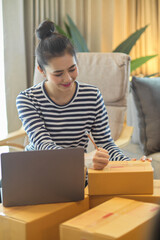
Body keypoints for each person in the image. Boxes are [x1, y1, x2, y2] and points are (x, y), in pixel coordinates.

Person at [16, 20, 150, 172]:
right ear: (41, 70)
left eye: (72, 69)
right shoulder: (27, 100)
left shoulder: (92, 96)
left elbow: (105, 144)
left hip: (77, 172)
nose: (67, 78)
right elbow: (43, 145)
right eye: (58, 74)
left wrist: (128, 163)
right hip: (37, 171)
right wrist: (82, 159)